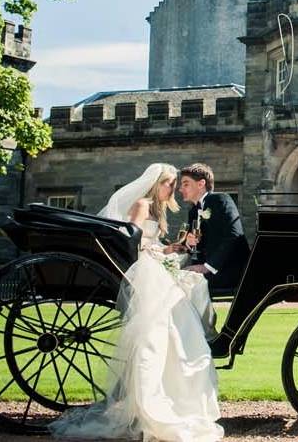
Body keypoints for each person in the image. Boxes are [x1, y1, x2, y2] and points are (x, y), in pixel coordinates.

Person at [50, 163, 223, 442]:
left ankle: (176, 393)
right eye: (169, 183)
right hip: (143, 271)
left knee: (185, 304)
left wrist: (170, 249)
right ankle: (150, 402)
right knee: (164, 325)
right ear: (156, 184)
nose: (174, 189)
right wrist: (159, 254)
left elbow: (150, 243)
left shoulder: (158, 210)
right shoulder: (142, 204)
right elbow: (130, 245)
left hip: (154, 264)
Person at [179, 163, 250, 294]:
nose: (180, 189)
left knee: (180, 281)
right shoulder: (193, 211)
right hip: (207, 268)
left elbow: (234, 235)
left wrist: (207, 267)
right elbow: (193, 247)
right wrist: (189, 243)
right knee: (176, 278)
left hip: (229, 270)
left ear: (201, 184)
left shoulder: (221, 199)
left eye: (185, 184)